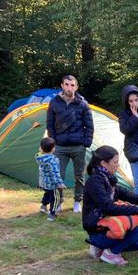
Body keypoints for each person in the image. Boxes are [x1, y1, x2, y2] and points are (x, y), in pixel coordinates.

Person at [83, 145, 138, 266]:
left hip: (110, 226)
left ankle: (100, 247)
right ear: (103, 163)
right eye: (115, 162)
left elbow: (126, 194)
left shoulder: (107, 178)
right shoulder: (95, 181)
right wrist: (136, 210)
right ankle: (110, 253)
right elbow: (108, 207)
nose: (118, 165)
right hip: (99, 230)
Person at [46, 74, 94, 213]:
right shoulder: (54, 102)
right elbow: (50, 124)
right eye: (67, 84)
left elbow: (89, 125)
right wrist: (53, 141)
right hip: (60, 146)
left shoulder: (83, 104)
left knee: (79, 176)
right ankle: (59, 201)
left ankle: (77, 201)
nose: (69, 87)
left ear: (76, 87)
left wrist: (86, 142)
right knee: (58, 176)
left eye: (72, 85)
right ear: (62, 86)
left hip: (78, 146)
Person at [36, 137, 66, 221]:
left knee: (47, 193)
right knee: (56, 198)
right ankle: (52, 214)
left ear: (41, 148)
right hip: (52, 184)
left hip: (43, 183)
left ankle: (43, 206)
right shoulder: (52, 160)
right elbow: (55, 173)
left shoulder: (40, 157)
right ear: (53, 149)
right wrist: (59, 183)